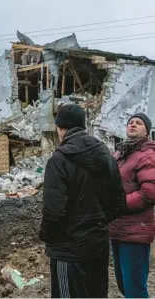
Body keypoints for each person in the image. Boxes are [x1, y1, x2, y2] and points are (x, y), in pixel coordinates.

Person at [39, 104, 127, 298]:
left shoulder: (59, 160)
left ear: (60, 128)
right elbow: (119, 203)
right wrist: (98, 222)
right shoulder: (106, 155)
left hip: (68, 250)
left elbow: (54, 212)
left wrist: (46, 236)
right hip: (98, 245)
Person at [109, 112, 155, 298]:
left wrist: (118, 205)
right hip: (117, 229)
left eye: (138, 123)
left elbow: (149, 193)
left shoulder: (147, 156)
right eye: (130, 122)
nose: (133, 125)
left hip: (135, 232)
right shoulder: (121, 154)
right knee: (123, 285)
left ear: (147, 131)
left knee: (135, 289)